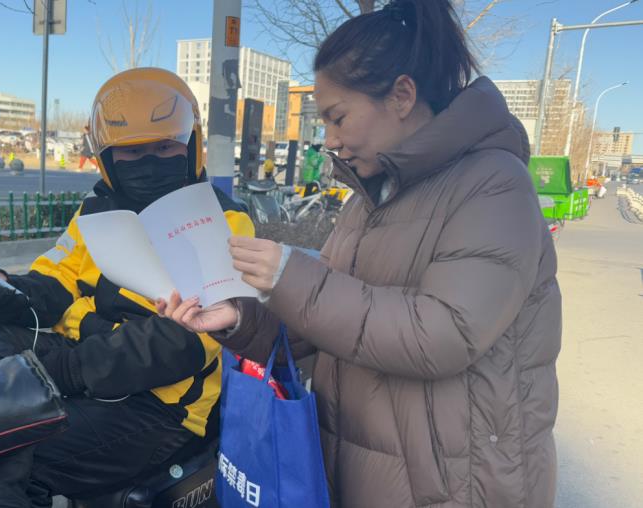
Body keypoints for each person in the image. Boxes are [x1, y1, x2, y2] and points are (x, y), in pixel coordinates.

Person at [159, 1, 561, 507]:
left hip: (450, 484)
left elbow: (444, 333)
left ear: (402, 95)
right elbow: (328, 324)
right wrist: (240, 319)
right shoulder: (370, 197)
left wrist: (290, 277)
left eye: (338, 118)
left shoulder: (494, 186)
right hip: (359, 466)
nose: (330, 140)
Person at [0, 67, 254, 507]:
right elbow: (57, 277)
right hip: (81, 361)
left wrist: (70, 371)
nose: (149, 162)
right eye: (132, 152)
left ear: (192, 145)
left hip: (160, 407)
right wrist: (9, 293)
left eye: (164, 147)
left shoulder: (221, 222)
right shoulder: (97, 211)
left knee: (7, 451)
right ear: (107, 158)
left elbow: (185, 343)